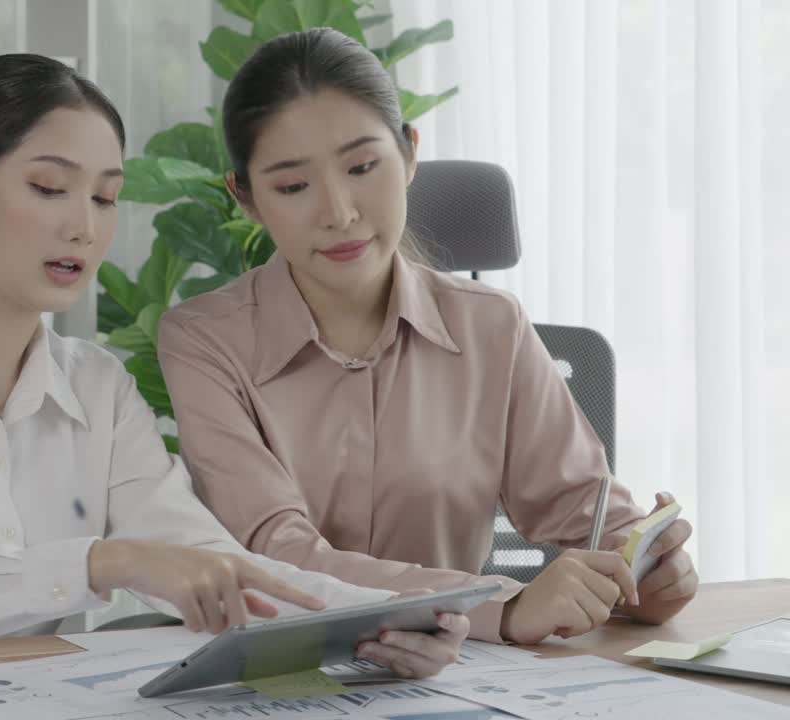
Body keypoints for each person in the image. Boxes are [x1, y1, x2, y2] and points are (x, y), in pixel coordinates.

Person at [0, 53, 469, 677]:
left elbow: (208, 564)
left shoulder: (97, 387)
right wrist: (102, 562)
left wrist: (396, 617)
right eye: (48, 187)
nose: (83, 226)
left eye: (104, 196)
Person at [158, 29, 697, 646]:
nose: (339, 211)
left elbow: (586, 509)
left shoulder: (494, 326)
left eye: (363, 167)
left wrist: (647, 574)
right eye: (292, 186)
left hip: (462, 679)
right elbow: (280, 557)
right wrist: (504, 608)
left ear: (409, 154)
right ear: (246, 198)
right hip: (278, 673)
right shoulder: (202, 343)